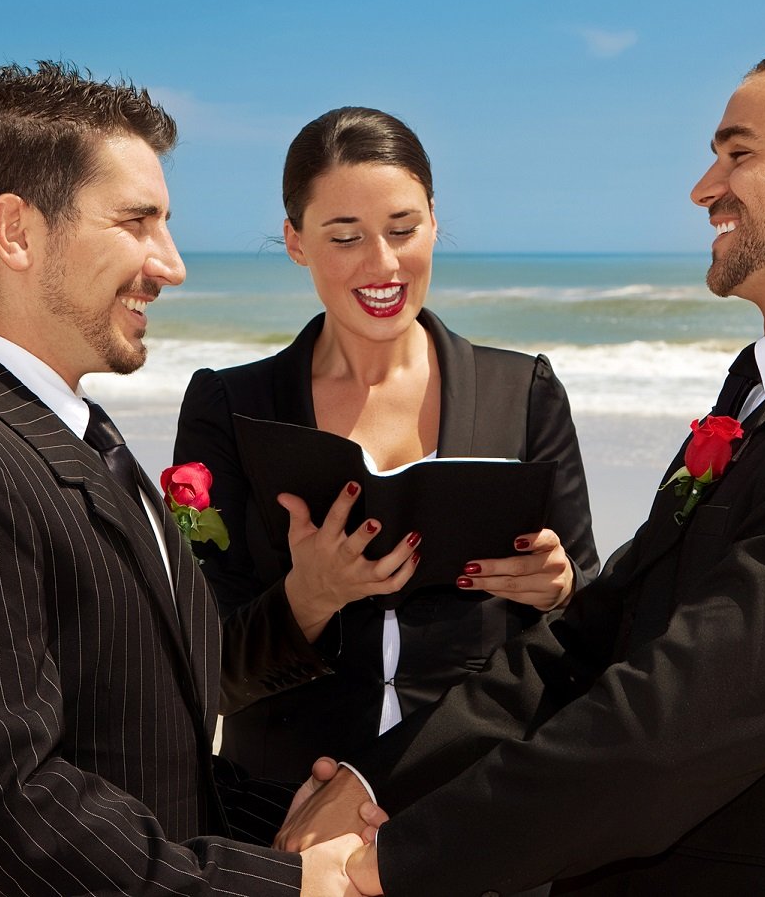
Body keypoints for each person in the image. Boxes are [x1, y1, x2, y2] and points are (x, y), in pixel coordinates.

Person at [279, 43, 765, 896]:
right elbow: (593, 634)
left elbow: (673, 724)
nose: (703, 186)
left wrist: (389, 862)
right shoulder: (764, 394)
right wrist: (380, 777)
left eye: (738, 152)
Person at [0, 61, 373, 896]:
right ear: (16, 232)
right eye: (136, 222)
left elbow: (144, 736)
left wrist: (290, 819)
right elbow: (5, 806)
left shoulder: (83, 438)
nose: (172, 264)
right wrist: (283, 885)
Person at [173, 106, 600, 784]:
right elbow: (200, 669)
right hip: (277, 815)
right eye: (344, 236)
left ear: (433, 219)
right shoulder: (229, 408)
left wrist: (560, 588)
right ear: (294, 241)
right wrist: (306, 597)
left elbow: (590, 626)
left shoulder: (523, 390)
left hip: (468, 805)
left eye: (403, 229)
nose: (382, 263)